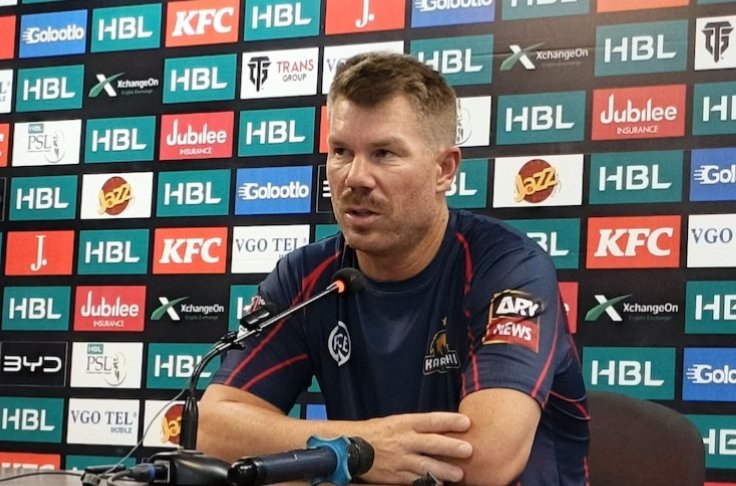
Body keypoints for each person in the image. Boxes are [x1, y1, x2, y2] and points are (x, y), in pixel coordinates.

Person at [198, 51, 589, 486]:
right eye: (341, 151)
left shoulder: (507, 267)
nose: (355, 177)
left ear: (444, 170)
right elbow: (210, 429)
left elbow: (483, 460)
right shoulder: (307, 275)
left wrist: (345, 453)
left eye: (383, 153)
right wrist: (360, 447)